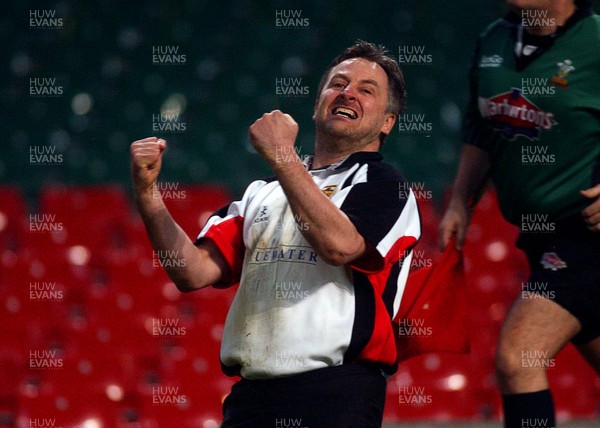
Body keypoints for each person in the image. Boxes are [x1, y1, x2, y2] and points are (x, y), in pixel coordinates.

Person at [131, 40, 421, 427]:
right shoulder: (261, 192)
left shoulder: (386, 184)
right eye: (337, 84)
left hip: (336, 394)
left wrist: (281, 154)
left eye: (366, 90)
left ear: (387, 122)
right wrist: (148, 193)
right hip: (253, 396)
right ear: (317, 104)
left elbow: (340, 246)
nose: (347, 92)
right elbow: (191, 271)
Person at [439, 1, 600, 427]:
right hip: (538, 237)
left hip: (586, 233)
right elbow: (479, 126)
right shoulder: (493, 38)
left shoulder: (596, 40)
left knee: (517, 357)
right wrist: (460, 200)